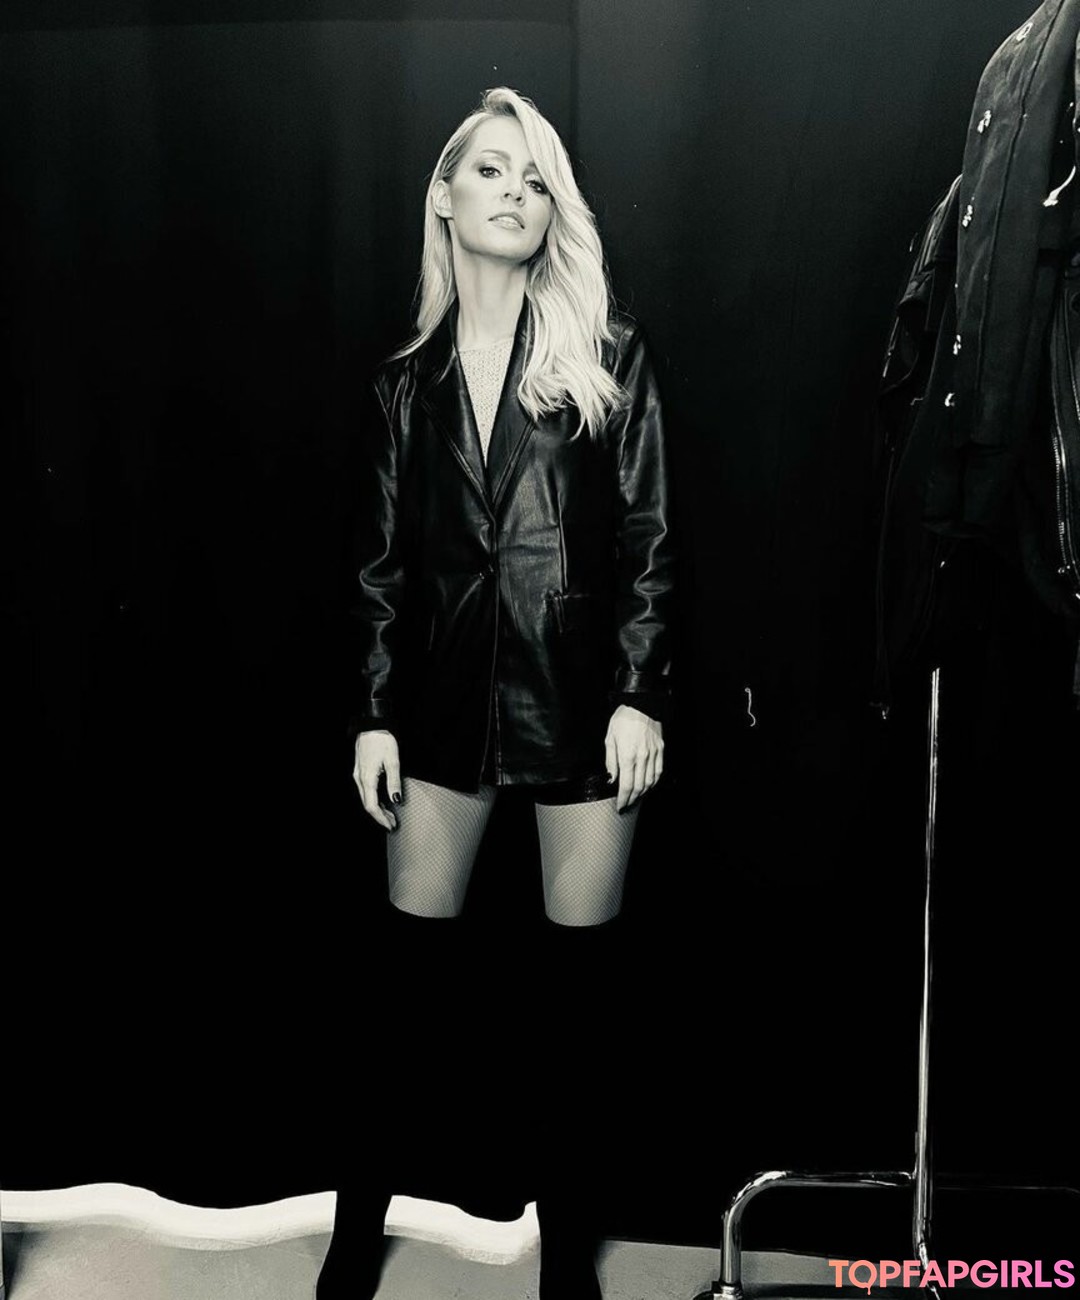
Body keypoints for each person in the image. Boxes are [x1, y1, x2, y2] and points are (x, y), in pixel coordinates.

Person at [322, 86, 675, 1300]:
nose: (514, 191)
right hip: (437, 708)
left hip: (578, 705)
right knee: (400, 1002)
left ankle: (565, 1264)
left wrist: (640, 691)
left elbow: (651, 533)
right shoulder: (404, 385)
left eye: (533, 177)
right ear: (445, 194)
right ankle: (351, 1242)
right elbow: (378, 567)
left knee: (576, 1016)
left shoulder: (607, 353)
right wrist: (374, 713)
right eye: (489, 169)